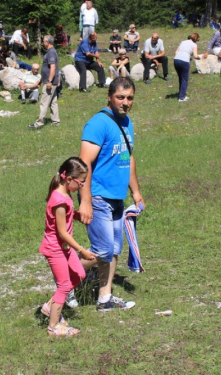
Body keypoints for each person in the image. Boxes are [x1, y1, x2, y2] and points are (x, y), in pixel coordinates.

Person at [78, 77, 144, 312]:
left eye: (130, 98)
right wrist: (85, 201)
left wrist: (135, 191)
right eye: (120, 97)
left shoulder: (127, 123)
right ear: (109, 96)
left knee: (114, 250)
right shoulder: (98, 124)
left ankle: (104, 298)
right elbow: (83, 164)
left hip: (117, 197)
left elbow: (129, 158)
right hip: (97, 197)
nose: (125, 103)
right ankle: (67, 277)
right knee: (104, 250)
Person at [39, 157, 96, 336]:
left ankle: (50, 306)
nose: (83, 185)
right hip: (55, 248)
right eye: (81, 182)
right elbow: (62, 233)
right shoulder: (59, 201)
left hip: (64, 248)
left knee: (79, 274)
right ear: (69, 179)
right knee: (64, 286)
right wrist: (82, 250)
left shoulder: (65, 194)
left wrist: (77, 216)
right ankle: (53, 327)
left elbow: (66, 218)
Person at [29, 35, 60, 129]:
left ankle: (39, 123)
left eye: (43, 41)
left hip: (50, 82)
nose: (43, 43)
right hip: (49, 81)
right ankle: (56, 121)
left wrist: (49, 81)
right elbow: (46, 68)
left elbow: (53, 68)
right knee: (53, 102)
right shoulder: (50, 52)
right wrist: (41, 80)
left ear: (48, 42)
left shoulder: (51, 52)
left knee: (44, 102)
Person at [174, 33, 201, 102]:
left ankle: (181, 94)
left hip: (176, 60)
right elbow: (195, 56)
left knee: (180, 78)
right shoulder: (194, 45)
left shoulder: (183, 42)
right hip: (184, 62)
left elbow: (176, 52)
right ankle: (182, 97)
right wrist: (199, 57)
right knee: (184, 79)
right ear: (196, 39)